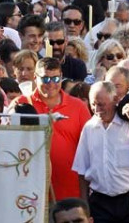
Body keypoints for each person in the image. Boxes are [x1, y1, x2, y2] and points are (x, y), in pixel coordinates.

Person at [73, 81, 129, 223]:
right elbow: (82, 171)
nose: (97, 109)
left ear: (116, 100)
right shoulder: (89, 127)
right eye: (93, 104)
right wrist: (84, 206)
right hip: (100, 202)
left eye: (101, 104)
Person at [15, 57, 90, 200]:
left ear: (61, 77)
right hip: (30, 192)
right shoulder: (21, 104)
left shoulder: (78, 106)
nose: (51, 84)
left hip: (69, 190)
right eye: (45, 79)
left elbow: (89, 147)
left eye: (55, 79)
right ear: (35, 78)